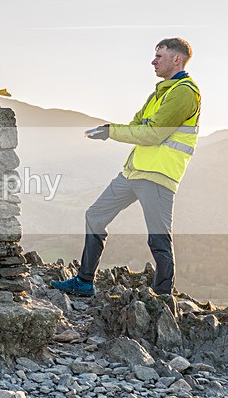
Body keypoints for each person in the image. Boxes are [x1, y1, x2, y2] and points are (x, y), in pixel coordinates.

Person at [52, 38, 200, 297]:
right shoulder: (158, 93)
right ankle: (85, 282)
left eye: (159, 56)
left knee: (158, 238)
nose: (153, 61)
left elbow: (153, 134)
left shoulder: (185, 92)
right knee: (95, 215)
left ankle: (163, 295)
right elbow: (134, 127)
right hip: (133, 171)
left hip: (158, 174)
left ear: (177, 59)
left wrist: (111, 132)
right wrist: (112, 130)